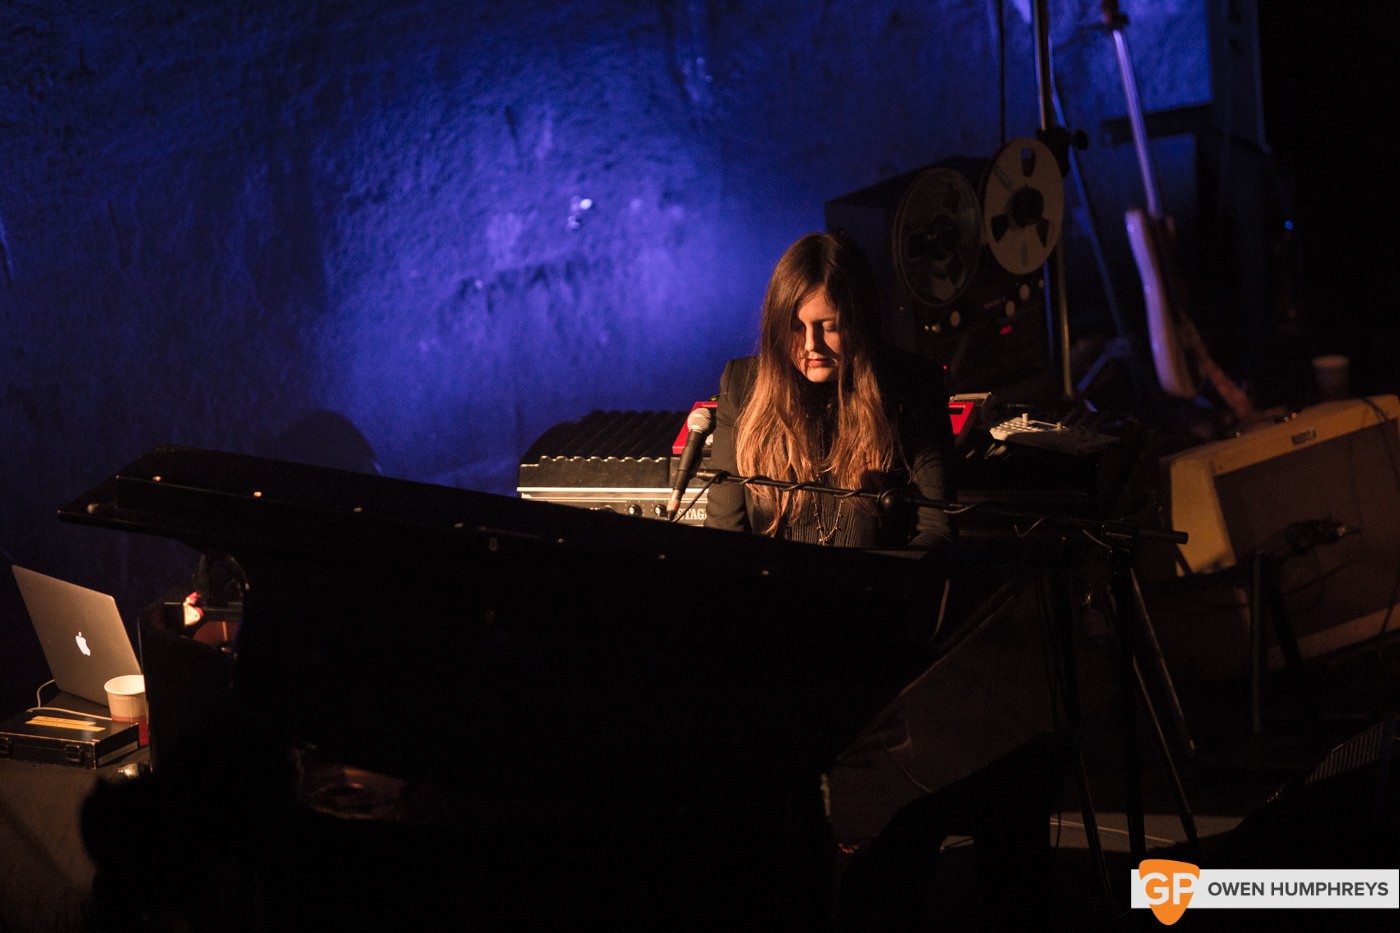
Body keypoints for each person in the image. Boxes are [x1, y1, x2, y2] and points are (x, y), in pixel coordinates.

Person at [704, 231, 954, 554]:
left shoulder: (912, 384)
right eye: (797, 327)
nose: (811, 345)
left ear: (858, 321)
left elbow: (938, 532)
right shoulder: (740, 386)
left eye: (830, 326)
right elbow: (723, 535)